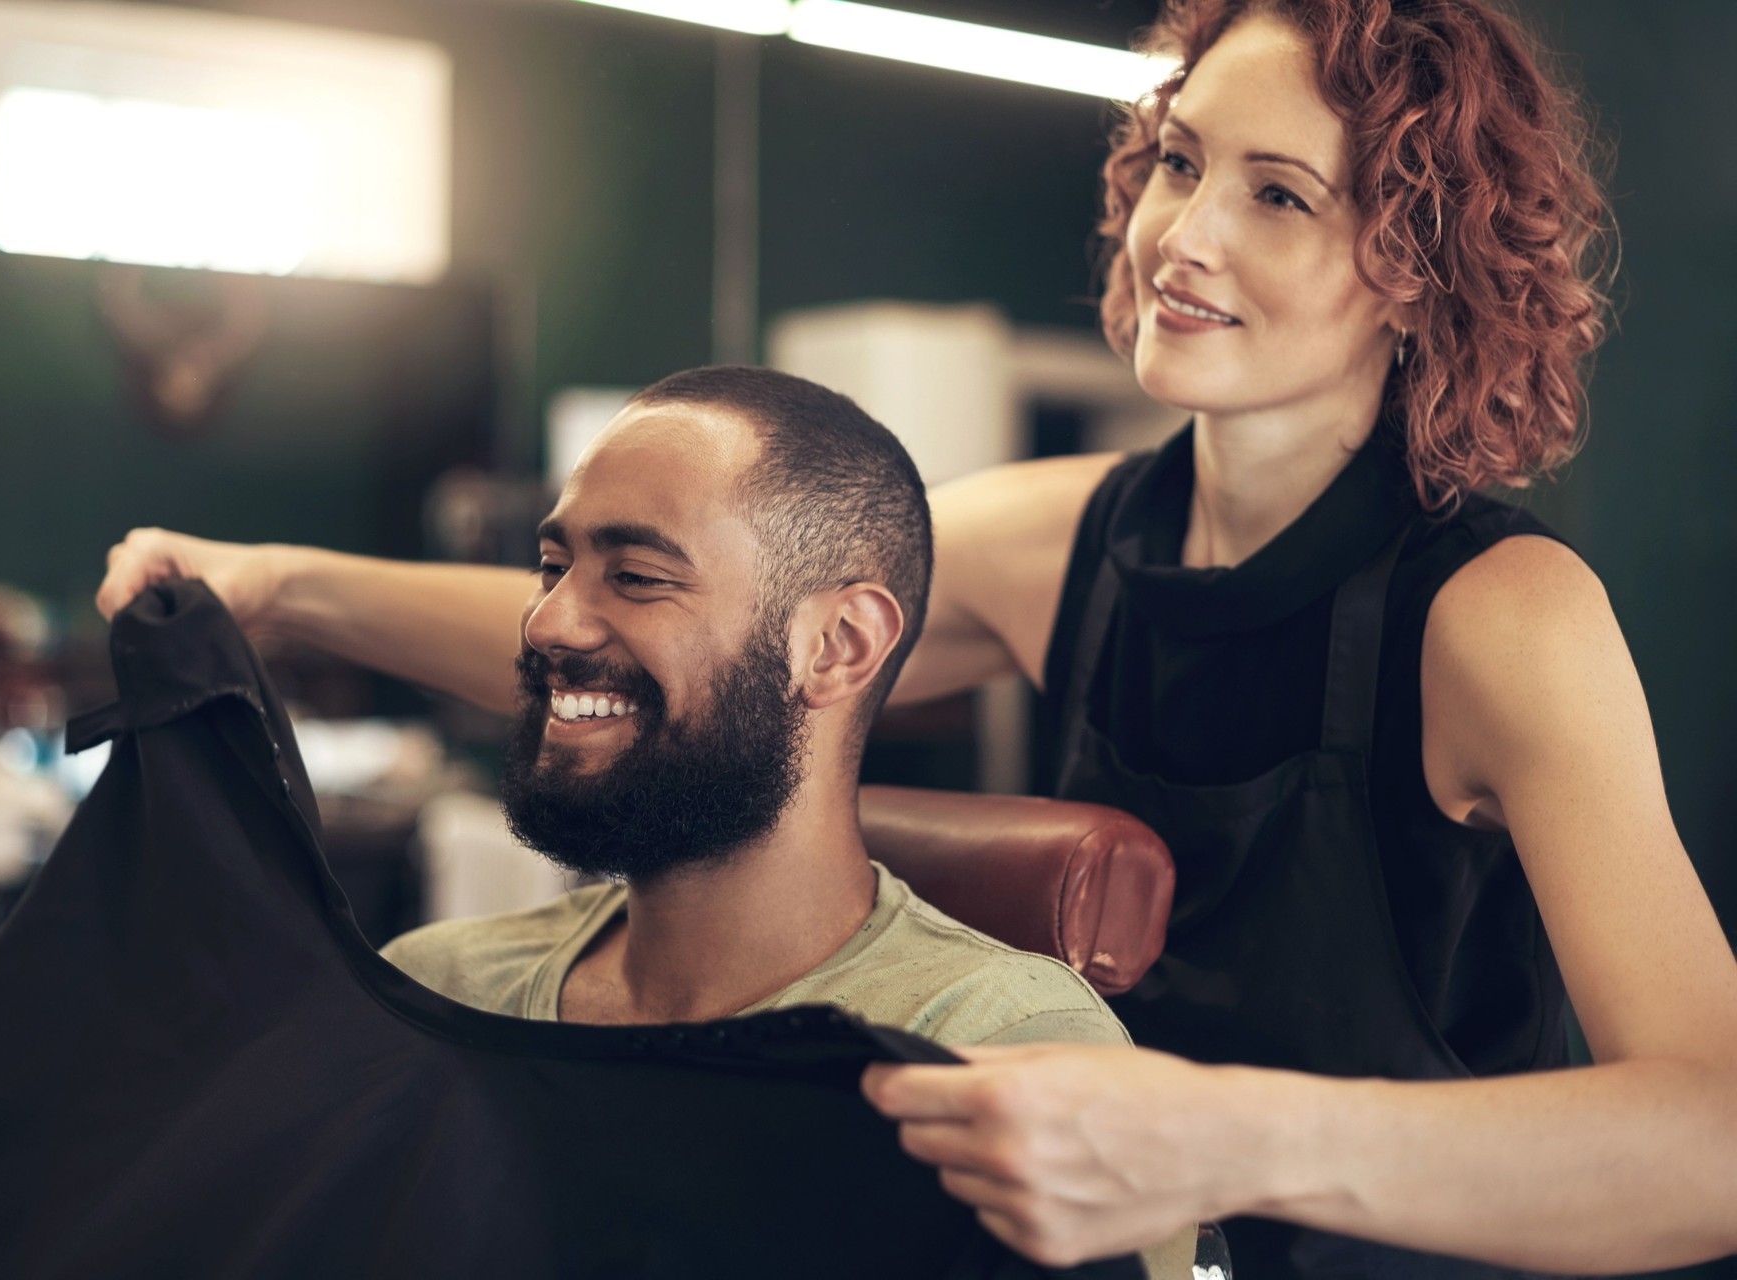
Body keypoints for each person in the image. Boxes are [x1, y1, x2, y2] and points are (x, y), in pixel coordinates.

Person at [96, 3, 1737, 1272]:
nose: (1187, 238)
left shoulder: (1502, 614)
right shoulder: (1075, 536)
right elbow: (678, 641)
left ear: (1412, 265)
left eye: (1277, 194)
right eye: (1180, 161)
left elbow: (1714, 1139)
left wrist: (1225, 1141)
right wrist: (287, 588)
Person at [101, 366, 1195, 1277]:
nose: (547, 619)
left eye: (635, 574)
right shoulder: (434, 993)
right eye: (551, 564)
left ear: (839, 647)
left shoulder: (1000, 1048)